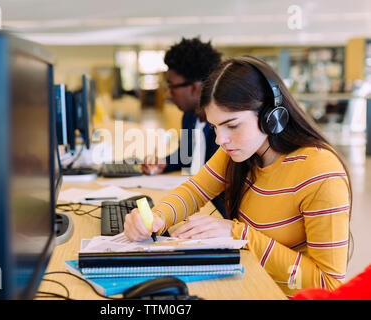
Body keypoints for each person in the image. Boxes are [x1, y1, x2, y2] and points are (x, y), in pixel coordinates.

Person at [124, 56, 352, 297]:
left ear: (270, 115)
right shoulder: (240, 153)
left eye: (232, 125)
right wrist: (157, 217)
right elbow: (194, 191)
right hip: (246, 282)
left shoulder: (321, 173)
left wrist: (238, 234)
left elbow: (328, 285)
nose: (221, 140)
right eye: (215, 127)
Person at [141, 37, 221, 176]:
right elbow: (186, 155)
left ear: (195, 88)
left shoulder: (224, 127)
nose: (168, 95)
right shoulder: (190, 116)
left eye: (172, 87)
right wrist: (163, 163)